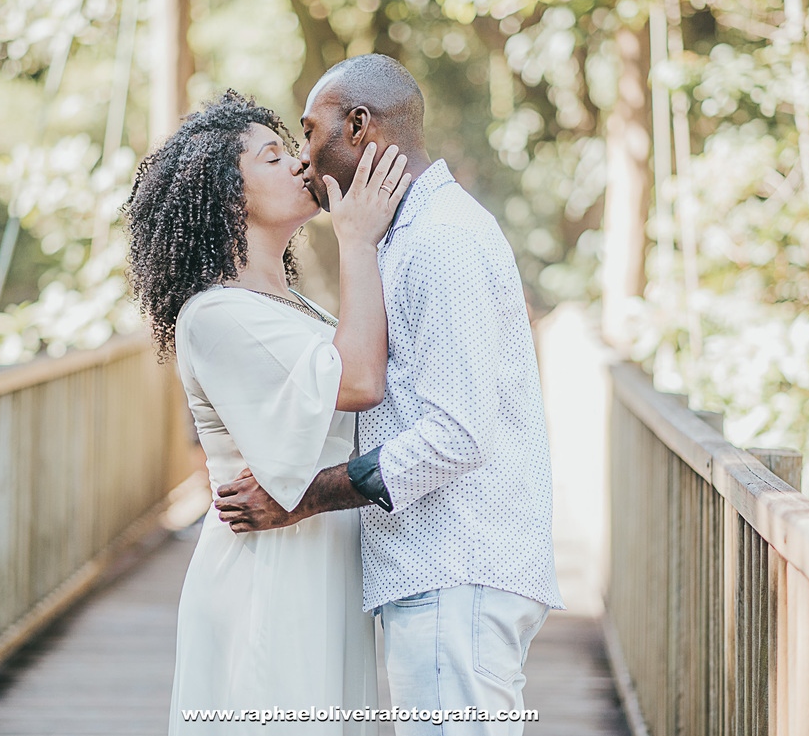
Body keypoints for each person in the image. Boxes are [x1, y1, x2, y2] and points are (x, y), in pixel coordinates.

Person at [215, 55, 564, 734]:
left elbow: (456, 435)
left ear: (359, 126)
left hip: (455, 569)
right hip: (442, 574)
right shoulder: (403, 239)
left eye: (311, 134)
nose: (305, 161)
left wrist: (304, 494)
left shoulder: (441, 240)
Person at [122, 89, 411, 734]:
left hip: (320, 559)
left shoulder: (294, 307)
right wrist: (356, 239)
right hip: (268, 581)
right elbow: (360, 380)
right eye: (273, 156)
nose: (301, 164)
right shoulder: (217, 314)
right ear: (229, 197)